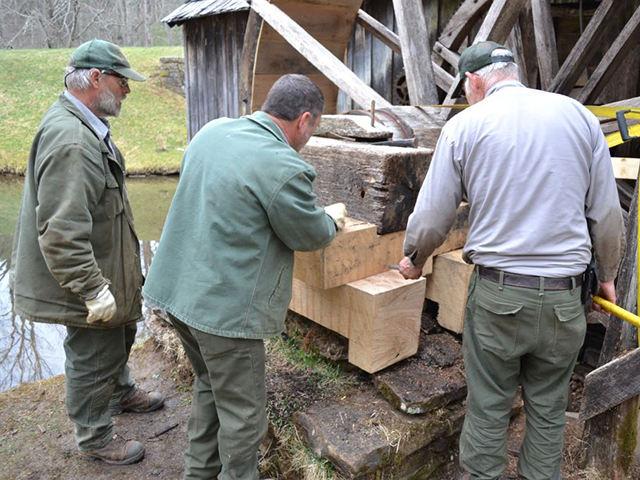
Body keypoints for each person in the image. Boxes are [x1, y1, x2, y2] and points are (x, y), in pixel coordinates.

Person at [399, 41, 623, 480]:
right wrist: (608, 275)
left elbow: (432, 215)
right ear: (513, 72)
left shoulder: (466, 125)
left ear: (473, 81)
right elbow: (607, 213)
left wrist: (414, 258)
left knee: (488, 406)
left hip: (499, 297)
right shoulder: (578, 117)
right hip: (564, 300)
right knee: (549, 409)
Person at [143, 74, 346, 480]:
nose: (309, 138)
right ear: (304, 120)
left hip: (176, 295)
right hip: (224, 314)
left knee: (210, 385)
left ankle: (198, 473)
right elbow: (309, 234)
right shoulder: (282, 164)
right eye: (313, 128)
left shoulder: (212, 131)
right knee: (244, 417)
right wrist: (331, 220)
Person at [10, 39, 165, 465]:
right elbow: (61, 232)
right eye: (122, 81)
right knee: (94, 351)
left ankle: (119, 393)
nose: (127, 90)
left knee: (119, 335)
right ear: (95, 78)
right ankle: (95, 437)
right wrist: (93, 290)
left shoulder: (86, 125)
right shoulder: (73, 141)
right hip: (85, 277)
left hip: (106, 266)